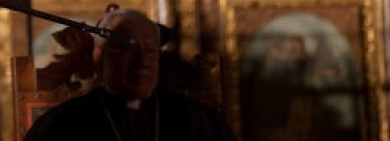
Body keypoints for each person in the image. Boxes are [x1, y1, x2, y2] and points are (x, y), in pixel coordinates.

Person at [23, 9, 238, 141]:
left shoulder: (198, 120)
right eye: (127, 51)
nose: (141, 63)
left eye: (150, 51)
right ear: (99, 60)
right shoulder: (61, 125)